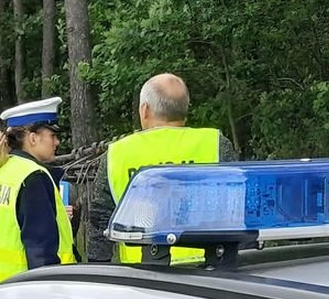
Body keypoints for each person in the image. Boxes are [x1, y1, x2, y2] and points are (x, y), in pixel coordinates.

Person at [87, 73, 241, 263]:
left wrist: (99, 271)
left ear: (144, 110)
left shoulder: (117, 154)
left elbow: (100, 222)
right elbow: (240, 210)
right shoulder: (215, 144)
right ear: (184, 109)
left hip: (144, 277)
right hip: (210, 272)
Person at [0, 98, 76, 283]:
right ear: (33, 138)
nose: (57, 142)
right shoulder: (33, 177)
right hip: (34, 291)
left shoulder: (1, 172)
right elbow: (41, 252)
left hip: (5, 286)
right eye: (52, 135)